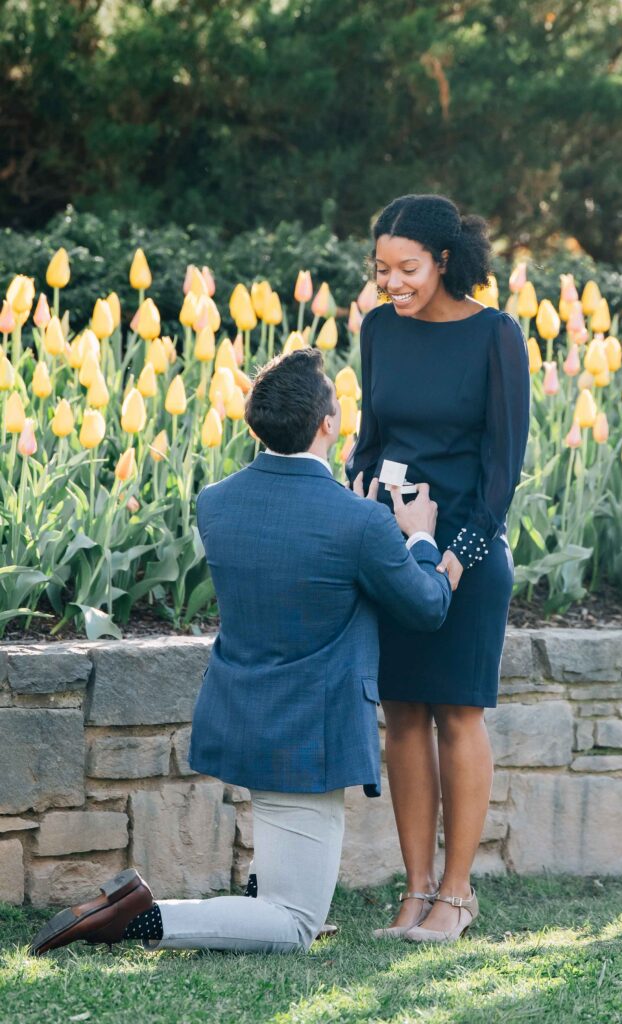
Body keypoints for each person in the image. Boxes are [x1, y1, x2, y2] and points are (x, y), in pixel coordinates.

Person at [30, 347, 452, 958]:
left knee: (280, 867)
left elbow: (291, 557)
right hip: (312, 729)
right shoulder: (359, 523)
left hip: (242, 711)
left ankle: (253, 891)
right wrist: (417, 536)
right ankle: (138, 920)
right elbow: (426, 606)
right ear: (328, 423)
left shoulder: (217, 502)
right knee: (296, 924)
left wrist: (363, 517)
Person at [345, 193, 530, 943]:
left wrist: (452, 562)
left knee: (456, 711)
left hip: (466, 548)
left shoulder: (496, 335)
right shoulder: (378, 329)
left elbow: (501, 476)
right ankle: (413, 889)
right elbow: (368, 436)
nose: (391, 282)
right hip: (390, 547)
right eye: (381, 268)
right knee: (402, 716)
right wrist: (362, 501)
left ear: (443, 260)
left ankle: (455, 894)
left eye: (406, 268)